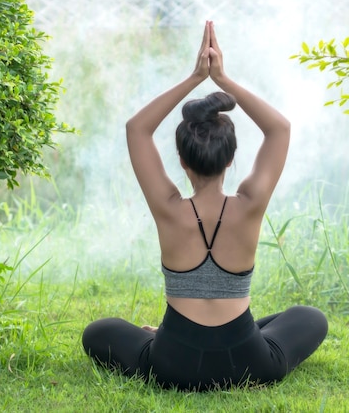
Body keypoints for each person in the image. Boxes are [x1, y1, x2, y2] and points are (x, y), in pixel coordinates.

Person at [82, 21, 328, 391]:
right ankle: (232, 330)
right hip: (247, 361)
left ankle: (164, 332)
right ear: (231, 160)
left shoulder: (168, 209)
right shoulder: (250, 205)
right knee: (309, 317)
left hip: (171, 363)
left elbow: (137, 129)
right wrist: (223, 79)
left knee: (97, 332)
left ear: (181, 160)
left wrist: (196, 77)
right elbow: (279, 129)